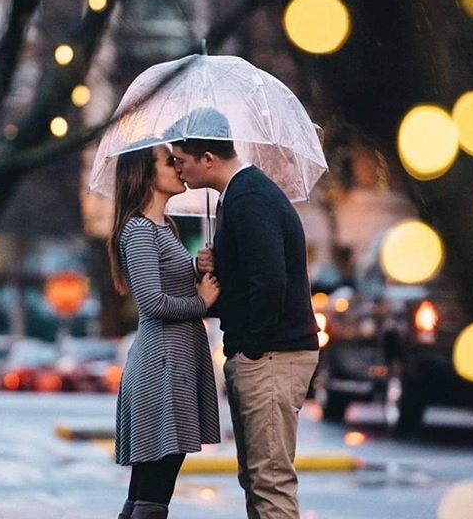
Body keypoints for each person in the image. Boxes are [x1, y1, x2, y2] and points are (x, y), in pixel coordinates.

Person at [171, 135, 320, 519]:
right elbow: (256, 275)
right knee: (257, 479)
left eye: (181, 160)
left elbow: (270, 283)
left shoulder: (249, 198)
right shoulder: (238, 197)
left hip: (272, 355)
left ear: (207, 159)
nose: (178, 169)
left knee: (270, 482)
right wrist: (216, 263)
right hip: (267, 353)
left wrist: (252, 347)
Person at [107, 144, 221, 519]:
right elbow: (152, 302)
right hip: (162, 365)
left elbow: (167, 282)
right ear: (145, 174)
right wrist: (200, 303)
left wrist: (194, 266)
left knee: (148, 484)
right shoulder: (139, 230)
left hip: (175, 359)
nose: (178, 166)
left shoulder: (163, 227)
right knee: (156, 484)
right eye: (168, 161)